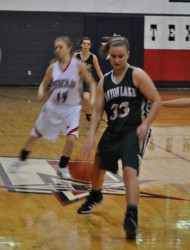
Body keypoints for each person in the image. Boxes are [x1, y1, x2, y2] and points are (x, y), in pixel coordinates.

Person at [77, 35, 162, 239]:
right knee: (98, 167)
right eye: (114, 56)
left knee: (129, 171)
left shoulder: (137, 74)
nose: (117, 60)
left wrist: (145, 124)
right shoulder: (105, 81)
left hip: (134, 130)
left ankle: (131, 216)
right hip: (113, 130)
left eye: (121, 56)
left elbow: (156, 100)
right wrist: (90, 137)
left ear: (128, 55)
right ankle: (95, 195)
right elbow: (97, 112)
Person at [8, 36, 96, 179]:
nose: (57, 50)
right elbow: (44, 83)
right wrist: (41, 91)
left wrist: (91, 98)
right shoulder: (52, 67)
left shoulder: (78, 65)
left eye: (60, 47)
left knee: (71, 138)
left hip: (72, 108)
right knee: (35, 135)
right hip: (53, 107)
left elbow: (91, 83)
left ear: (68, 48)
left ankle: (62, 167)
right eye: (55, 47)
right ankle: (20, 160)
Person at [73, 37, 103, 122]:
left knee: (86, 98)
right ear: (81, 45)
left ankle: (88, 115)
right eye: (84, 43)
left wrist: (105, 81)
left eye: (88, 44)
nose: (86, 45)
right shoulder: (76, 56)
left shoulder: (93, 57)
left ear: (90, 46)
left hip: (87, 81)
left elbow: (99, 72)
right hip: (77, 81)